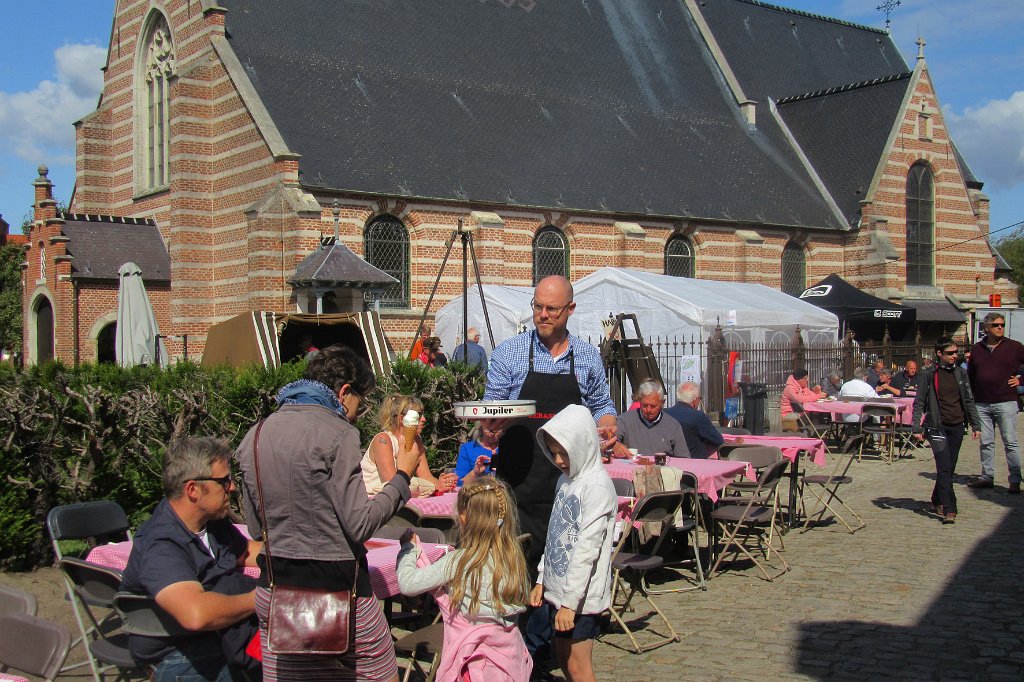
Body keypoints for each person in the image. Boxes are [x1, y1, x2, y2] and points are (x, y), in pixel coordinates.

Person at [235, 344, 420, 681]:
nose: (355, 413)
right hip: (339, 596)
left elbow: (255, 526)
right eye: (359, 404)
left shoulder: (255, 434)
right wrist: (403, 478)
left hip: (276, 592)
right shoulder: (338, 433)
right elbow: (360, 524)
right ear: (344, 391)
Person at [484, 274, 616, 673]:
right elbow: (491, 410)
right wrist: (489, 427)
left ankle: (539, 659)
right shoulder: (509, 353)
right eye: (537, 306)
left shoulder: (587, 357)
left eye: (551, 309)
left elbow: (602, 406)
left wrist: (608, 427)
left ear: (570, 310)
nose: (542, 314)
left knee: (559, 574)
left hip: (567, 486)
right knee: (516, 574)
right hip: (519, 484)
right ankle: (513, 657)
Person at [120, 437, 263, 682]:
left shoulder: (212, 523)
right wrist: (262, 600)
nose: (232, 488)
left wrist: (299, 558)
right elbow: (195, 614)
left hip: (220, 637)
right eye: (224, 481)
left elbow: (245, 553)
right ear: (193, 490)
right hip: (180, 655)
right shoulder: (161, 544)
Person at [397, 477, 532, 681]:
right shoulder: (513, 558)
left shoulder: (459, 561)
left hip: (470, 662)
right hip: (507, 659)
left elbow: (407, 583)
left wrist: (408, 549)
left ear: (463, 517)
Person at [531, 405, 616, 682]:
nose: (558, 460)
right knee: (566, 662)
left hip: (581, 597)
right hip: (560, 590)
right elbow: (555, 534)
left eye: (564, 453)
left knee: (579, 667)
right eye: (553, 452)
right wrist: (543, 577)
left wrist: (570, 603)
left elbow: (586, 550)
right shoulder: (564, 481)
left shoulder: (597, 487)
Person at [913, 337, 981, 523]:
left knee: (949, 468)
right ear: (939, 353)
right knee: (943, 467)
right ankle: (949, 508)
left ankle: (936, 498)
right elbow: (919, 401)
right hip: (937, 425)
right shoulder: (929, 374)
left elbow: (968, 399)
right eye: (950, 353)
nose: (954, 356)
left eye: (956, 352)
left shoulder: (960, 373)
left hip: (957, 424)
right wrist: (916, 426)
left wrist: (975, 424)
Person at [966, 312, 1024, 493]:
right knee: (986, 442)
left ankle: (1015, 479)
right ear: (986, 328)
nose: (1000, 328)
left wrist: (1021, 381)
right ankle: (987, 476)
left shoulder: (1014, 347)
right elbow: (971, 376)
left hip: (1005, 400)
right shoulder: (977, 349)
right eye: (996, 325)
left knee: (1010, 441)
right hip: (982, 402)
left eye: (1002, 325)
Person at [362, 394, 457, 497]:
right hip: (373, 502)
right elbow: (392, 484)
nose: (424, 419)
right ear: (402, 419)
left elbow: (425, 476)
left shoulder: (416, 439)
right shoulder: (383, 440)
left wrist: (441, 484)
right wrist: (434, 487)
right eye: (418, 415)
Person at [611, 380, 688, 458]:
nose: (648, 410)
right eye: (644, 405)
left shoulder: (673, 425)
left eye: (653, 406)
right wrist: (615, 445)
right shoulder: (625, 420)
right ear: (639, 401)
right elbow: (609, 442)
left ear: (662, 403)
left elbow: (684, 459)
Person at [664, 381, 724, 459]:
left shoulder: (664, 413)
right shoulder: (698, 416)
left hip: (670, 460)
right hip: (694, 462)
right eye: (700, 398)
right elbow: (718, 440)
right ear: (695, 400)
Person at [455, 420, 502, 486]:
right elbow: (459, 484)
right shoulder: (468, 449)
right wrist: (475, 473)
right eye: (489, 430)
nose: (494, 425)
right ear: (481, 423)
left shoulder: (511, 447)